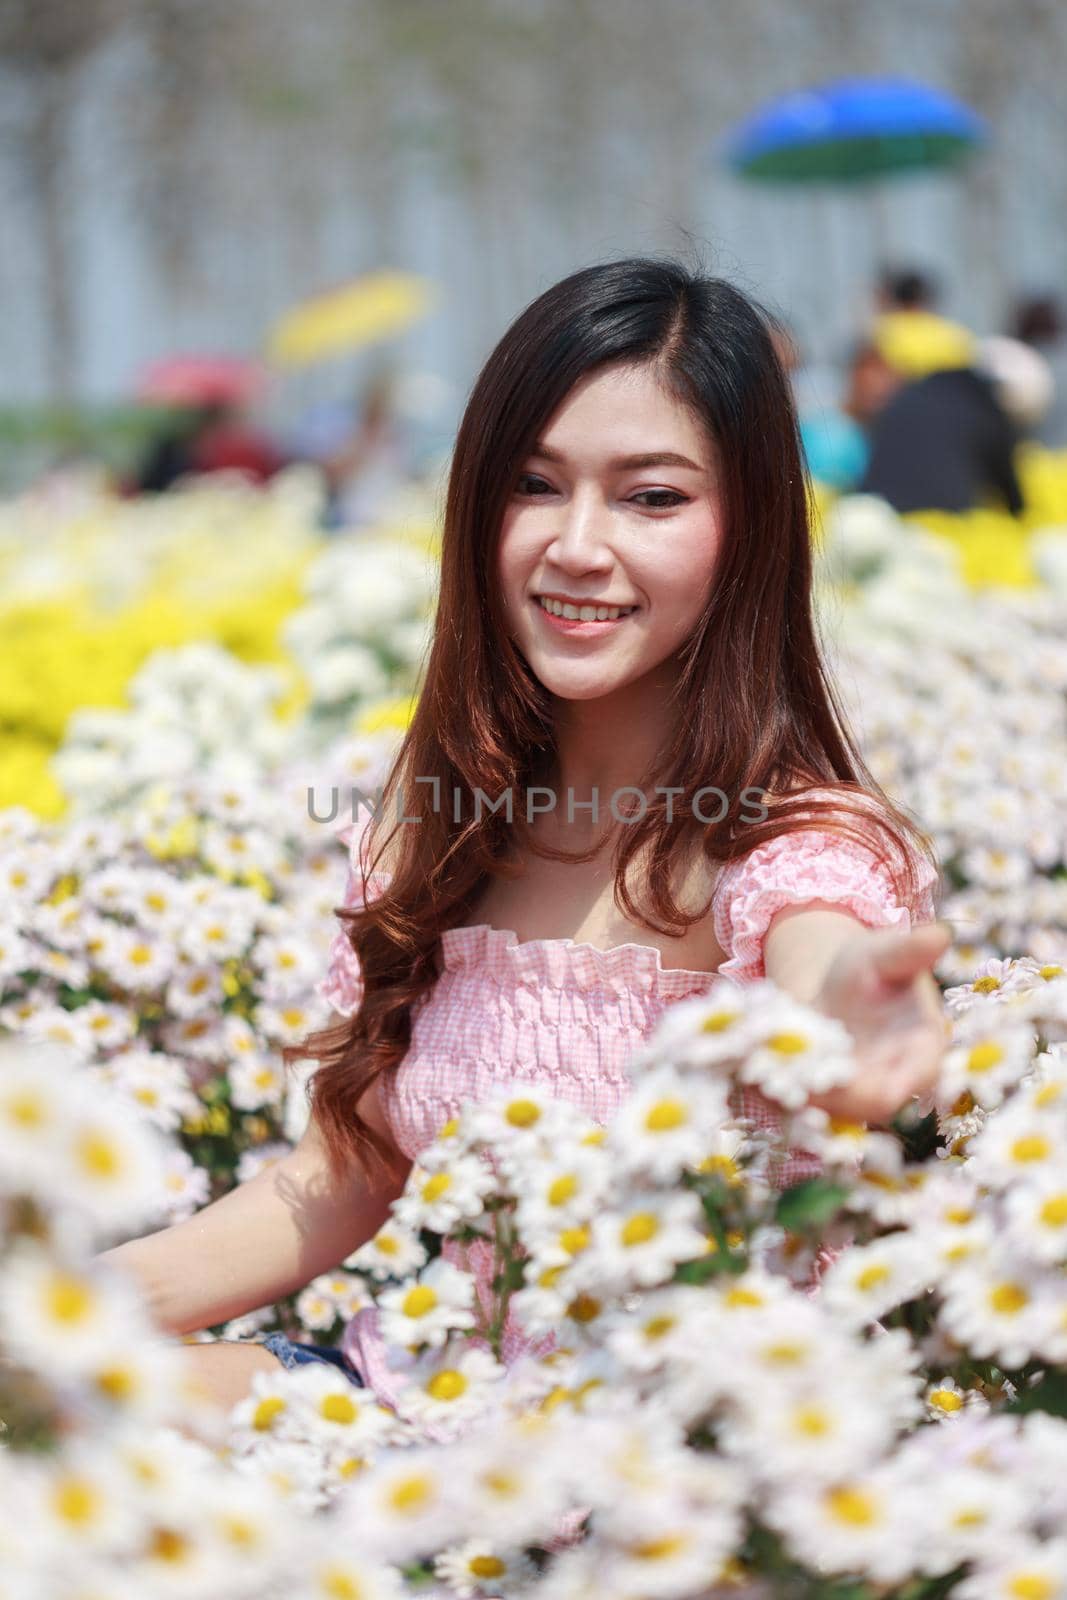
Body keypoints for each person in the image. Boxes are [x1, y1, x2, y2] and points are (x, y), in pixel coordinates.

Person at [98, 258, 948, 1425]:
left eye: (651, 498)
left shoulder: (787, 842)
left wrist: (848, 1004)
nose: (576, 546)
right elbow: (339, 1174)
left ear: (747, 525)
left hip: (678, 1488)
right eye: (535, 485)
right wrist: (53, 1318)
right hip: (414, 1429)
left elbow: (820, 947)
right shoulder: (432, 829)